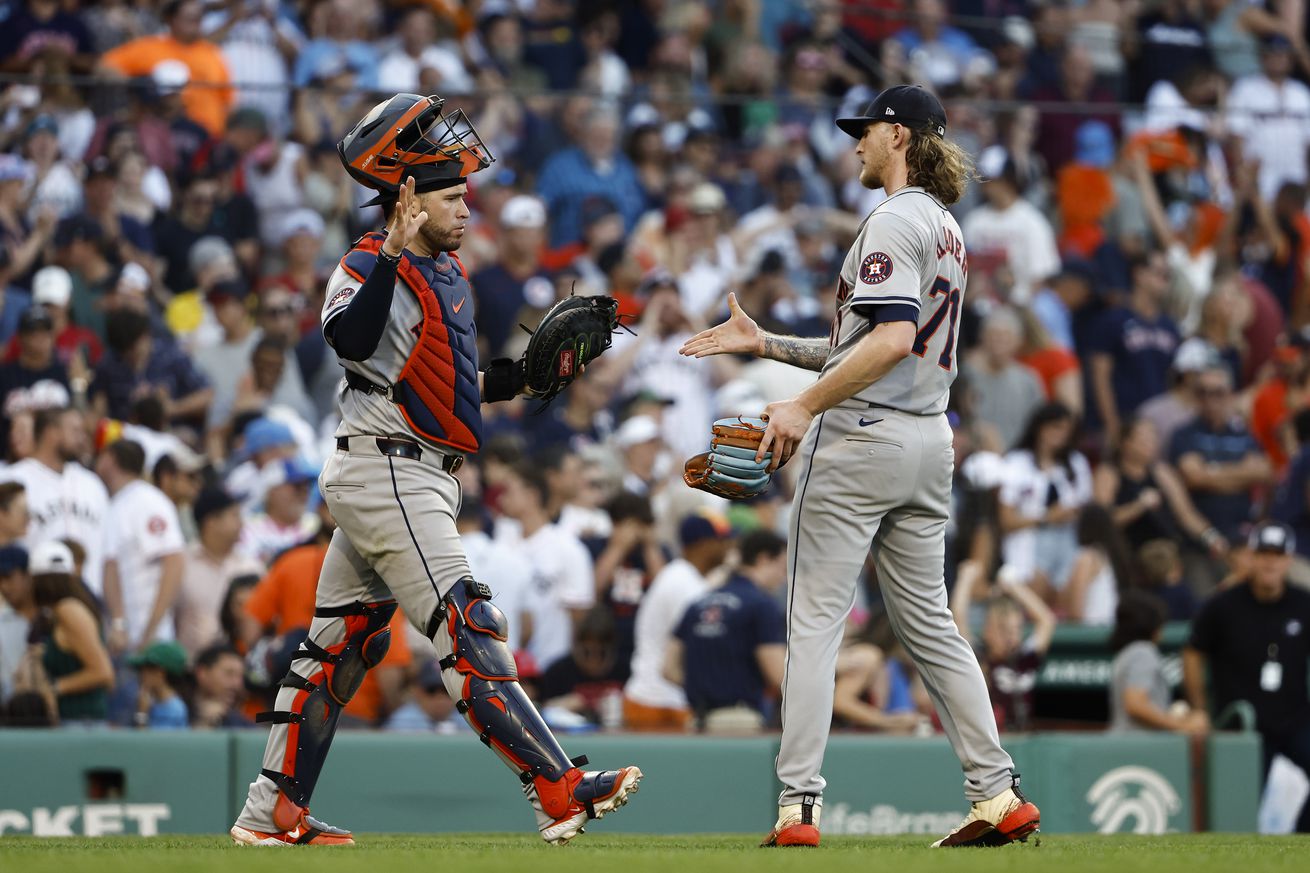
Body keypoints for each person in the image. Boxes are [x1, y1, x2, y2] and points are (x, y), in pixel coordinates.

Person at [230, 93, 640, 848]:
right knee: (467, 619)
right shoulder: (364, 261)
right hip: (387, 471)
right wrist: (390, 246)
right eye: (452, 196)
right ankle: (557, 785)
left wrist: (523, 378)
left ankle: (272, 808)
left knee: (343, 642)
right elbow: (349, 340)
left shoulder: (448, 272)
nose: (467, 209)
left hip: (410, 469)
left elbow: (446, 386)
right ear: (409, 198)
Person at [679, 85, 1039, 848]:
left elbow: (888, 341)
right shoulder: (945, 226)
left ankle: (799, 805)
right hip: (926, 441)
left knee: (812, 622)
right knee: (933, 625)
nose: (855, 144)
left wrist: (802, 404)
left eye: (867, 130)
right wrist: (769, 343)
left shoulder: (891, 217)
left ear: (899, 135)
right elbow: (869, 345)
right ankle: (998, 791)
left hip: (861, 440)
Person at [1184, 521, 1310, 831]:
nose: (1270, 562)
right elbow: (1192, 651)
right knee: (1235, 806)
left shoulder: (1303, 603)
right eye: (1263, 553)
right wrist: (1200, 707)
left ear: (1288, 560)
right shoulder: (1224, 604)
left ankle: (1301, 838)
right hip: (1243, 722)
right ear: (1250, 557)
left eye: (1277, 555)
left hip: (1294, 717)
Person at [665, 529, 788, 733]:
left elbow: (668, 668)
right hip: (740, 720)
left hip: (697, 719)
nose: (783, 578)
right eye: (782, 568)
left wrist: (706, 687)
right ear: (764, 559)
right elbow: (778, 675)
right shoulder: (762, 605)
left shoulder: (699, 603)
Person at [623, 510, 733, 731]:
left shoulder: (682, 576)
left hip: (655, 698)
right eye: (720, 541)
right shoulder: (684, 584)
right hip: (658, 703)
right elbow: (694, 651)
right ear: (702, 544)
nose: (727, 547)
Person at [494, 461, 596, 671]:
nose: (501, 499)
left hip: (551, 664)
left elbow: (581, 616)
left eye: (510, 492)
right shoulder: (500, 547)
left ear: (532, 496)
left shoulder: (568, 548)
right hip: (504, 664)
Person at [0, 406, 109, 595]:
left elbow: (109, 554)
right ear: (52, 432)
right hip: (32, 602)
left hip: (90, 599)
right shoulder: (12, 479)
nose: (83, 437)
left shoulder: (92, 483)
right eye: (75, 430)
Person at [98, 439, 185, 656]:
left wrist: (151, 631)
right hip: (128, 638)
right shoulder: (119, 502)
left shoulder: (147, 501)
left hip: (151, 639)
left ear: (110, 459)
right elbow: (111, 566)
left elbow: (174, 562)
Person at [951, 563, 1057, 733]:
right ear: (987, 631)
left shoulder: (1025, 657)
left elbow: (1046, 621)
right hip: (995, 737)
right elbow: (959, 618)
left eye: (1016, 630)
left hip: (1024, 737)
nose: (1010, 636)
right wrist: (966, 579)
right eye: (1003, 629)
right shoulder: (979, 656)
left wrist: (1013, 586)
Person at [28, 540, 114, 724]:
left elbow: (103, 672)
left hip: (82, 722)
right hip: (75, 721)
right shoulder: (60, 611)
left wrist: (55, 688)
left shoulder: (69, 610)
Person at [175, 488, 263, 659]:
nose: (241, 523)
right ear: (211, 522)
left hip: (242, 667)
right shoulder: (182, 565)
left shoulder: (251, 568)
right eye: (234, 515)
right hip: (192, 669)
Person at [1109, 590, 1207, 733]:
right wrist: (1182, 726)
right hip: (1137, 748)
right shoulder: (1143, 652)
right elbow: (1135, 704)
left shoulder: (1128, 653)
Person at [1063, 505, 1135, 626]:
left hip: (1091, 633)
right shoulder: (1110, 557)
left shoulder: (1087, 558)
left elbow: (1076, 611)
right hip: (1109, 628)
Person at [127, 640, 190, 729]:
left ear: (160, 673)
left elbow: (151, 742)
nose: (141, 675)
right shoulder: (149, 701)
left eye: (145, 670)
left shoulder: (174, 708)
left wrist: (142, 714)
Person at [189, 643, 250, 728]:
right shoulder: (178, 713)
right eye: (229, 673)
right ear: (202, 673)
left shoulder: (243, 726)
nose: (237, 684)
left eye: (240, 676)